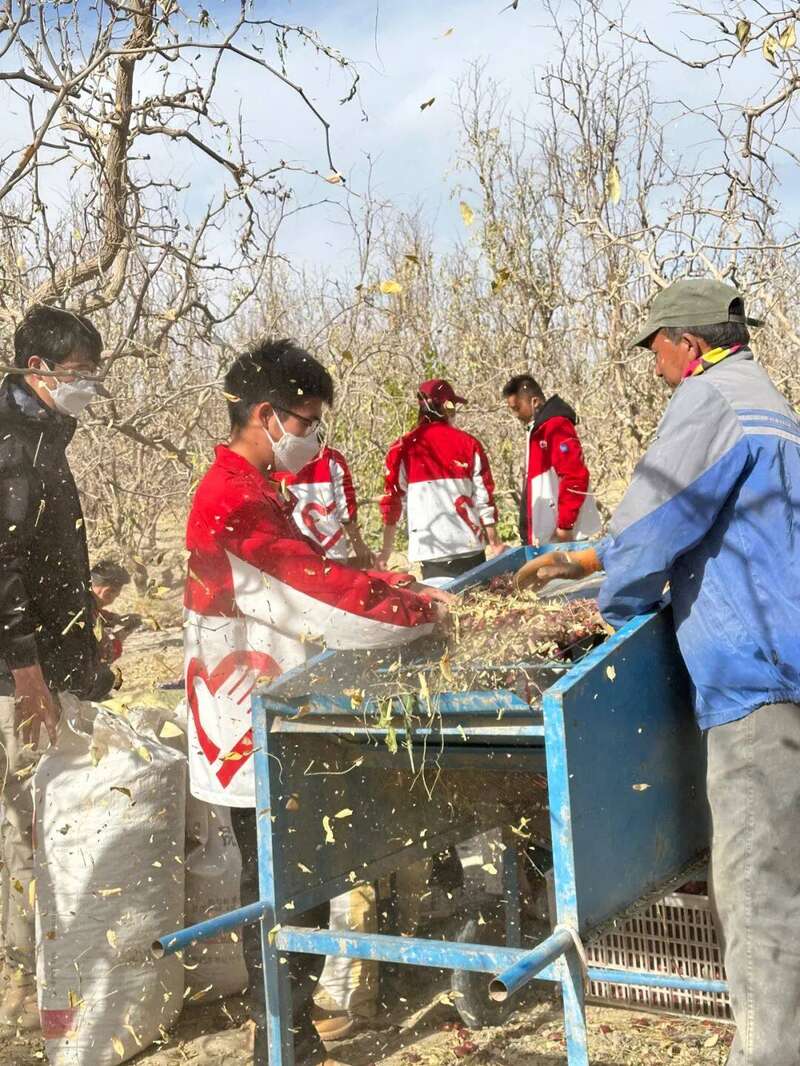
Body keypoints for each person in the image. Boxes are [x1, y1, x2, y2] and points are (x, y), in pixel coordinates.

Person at [516, 279, 800, 1066]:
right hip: (786, 666)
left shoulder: (708, 400)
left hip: (754, 684)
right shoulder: (764, 400)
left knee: (758, 892)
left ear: (686, 344)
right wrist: (579, 557)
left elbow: (650, 530)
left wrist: (611, 603)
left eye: (657, 349)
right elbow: (709, 515)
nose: (654, 365)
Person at [183, 338, 449, 1066]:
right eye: (307, 420)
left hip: (270, 698)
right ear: (266, 414)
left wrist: (392, 588)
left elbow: (314, 572)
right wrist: (418, 610)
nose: (313, 437)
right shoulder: (233, 497)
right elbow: (313, 595)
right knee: (279, 880)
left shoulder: (258, 486)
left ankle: (289, 1027)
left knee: (290, 872)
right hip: (249, 707)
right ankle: (284, 1036)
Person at [0, 305, 116, 1032]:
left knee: (47, 811)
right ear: (38, 372)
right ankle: (32, 978)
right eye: (80, 375)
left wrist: (88, 631)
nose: (89, 387)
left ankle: (48, 964)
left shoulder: (46, 435)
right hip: (20, 674)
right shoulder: (14, 446)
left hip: (53, 653)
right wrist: (29, 674)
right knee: (31, 819)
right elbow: (4, 567)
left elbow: (46, 562)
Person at [377, 379, 504, 585]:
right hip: (470, 546)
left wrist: (386, 551)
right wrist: (495, 541)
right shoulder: (468, 443)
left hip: (431, 550)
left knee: (444, 611)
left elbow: (392, 502)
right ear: (446, 408)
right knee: (479, 610)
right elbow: (484, 496)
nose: (454, 413)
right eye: (452, 407)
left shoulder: (402, 448)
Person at [502, 373, 600, 546]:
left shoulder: (556, 426)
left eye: (517, 407)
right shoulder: (536, 431)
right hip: (546, 539)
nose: (516, 415)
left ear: (534, 401)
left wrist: (565, 526)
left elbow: (575, 475)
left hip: (565, 538)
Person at [274, 444, 373, 568]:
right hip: (316, 555)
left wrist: (358, 543)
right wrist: (358, 543)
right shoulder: (330, 458)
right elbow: (346, 507)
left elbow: (346, 505)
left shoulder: (330, 458)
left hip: (307, 557)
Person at [90, 559, 141, 663]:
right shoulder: (88, 616)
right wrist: (125, 631)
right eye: (115, 595)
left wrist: (115, 619)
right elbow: (107, 653)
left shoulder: (80, 602)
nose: (114, 599)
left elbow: (98, 613)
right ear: (107, 592)